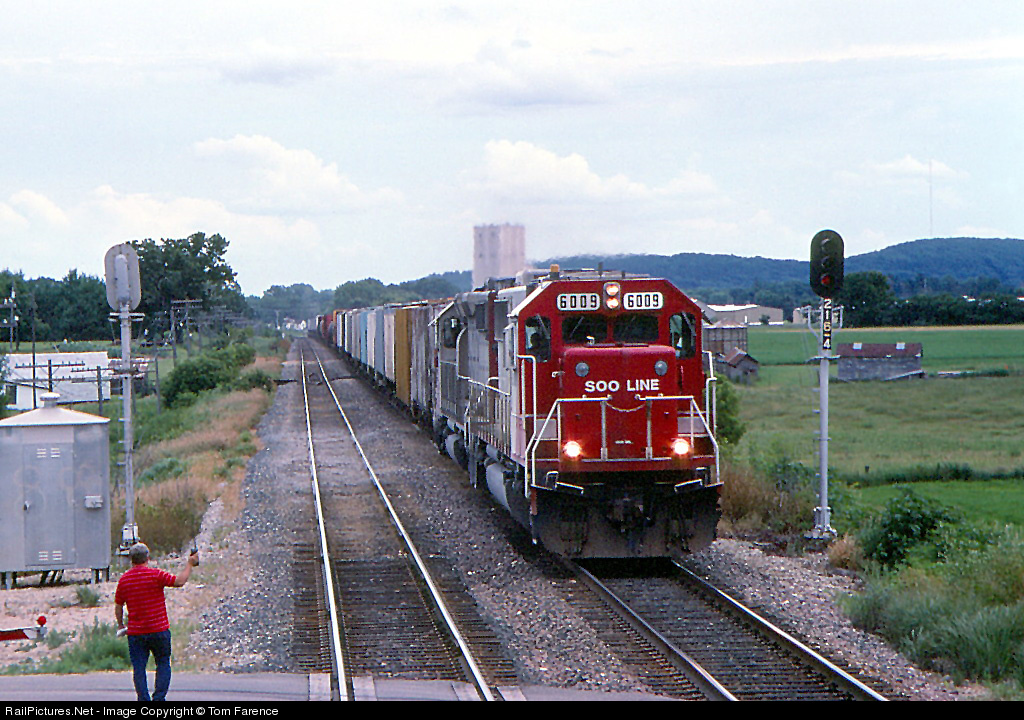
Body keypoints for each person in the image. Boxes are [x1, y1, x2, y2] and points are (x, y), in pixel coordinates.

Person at [114, 542, 198, 701]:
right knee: (163, 663)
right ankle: (159, 698)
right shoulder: (155, 575)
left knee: (139, 668)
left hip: (136, 632)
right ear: (147, 557)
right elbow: (179, 581)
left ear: (131, 559)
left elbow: (118, 606)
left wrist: (121, 625)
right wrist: (190, 564)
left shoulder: (124, 580)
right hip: (159, 629)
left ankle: (143, 699)